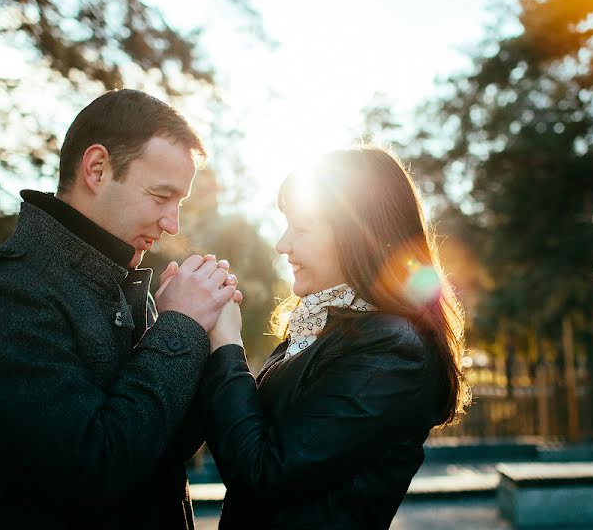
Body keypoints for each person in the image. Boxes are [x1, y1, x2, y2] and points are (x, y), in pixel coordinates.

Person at [0, 89, 241, 529]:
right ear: (96, 168)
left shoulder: (123, 287)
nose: (173, 223)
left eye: (179, 203)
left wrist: (205, 339)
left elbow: (158, 447)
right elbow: (92, 469)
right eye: (160, 196)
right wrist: (178, 326)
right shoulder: (1, 294)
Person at [197, 145, 470, 529]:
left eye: (302, 227)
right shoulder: (322, 326)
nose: (283, 245)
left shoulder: (393, 351)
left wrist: (226, 344)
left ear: (360, 236)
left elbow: (263, 474)